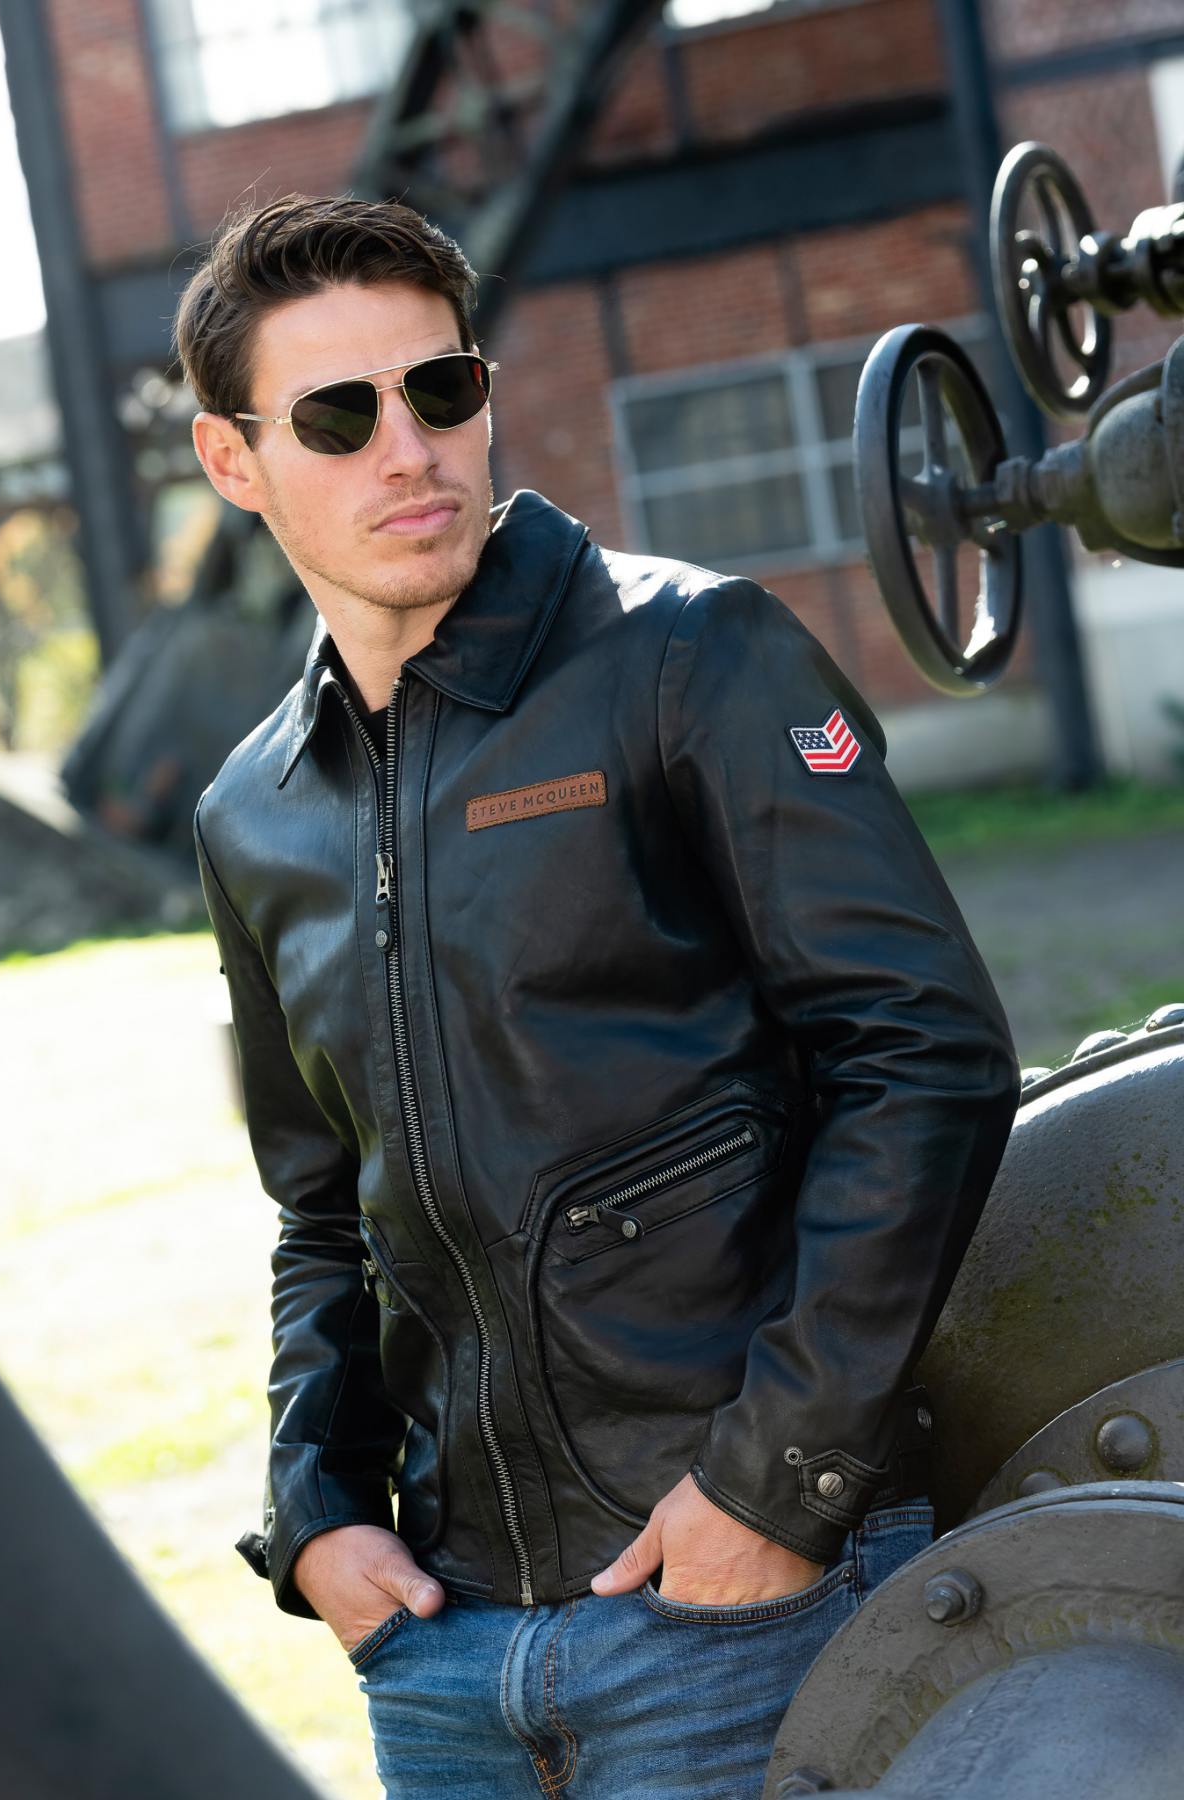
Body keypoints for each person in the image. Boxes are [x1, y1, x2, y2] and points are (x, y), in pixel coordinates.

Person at [179, 194, 1021, 1800]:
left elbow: (925, 1053)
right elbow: (321, 1210)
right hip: (442, 1654)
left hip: (738, 1601)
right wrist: (318, 1513)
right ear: (235, 461)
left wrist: (777, 1485)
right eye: (340, 416)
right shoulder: (253, 811)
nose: (410, 450)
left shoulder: (693, 655)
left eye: (443, 390)